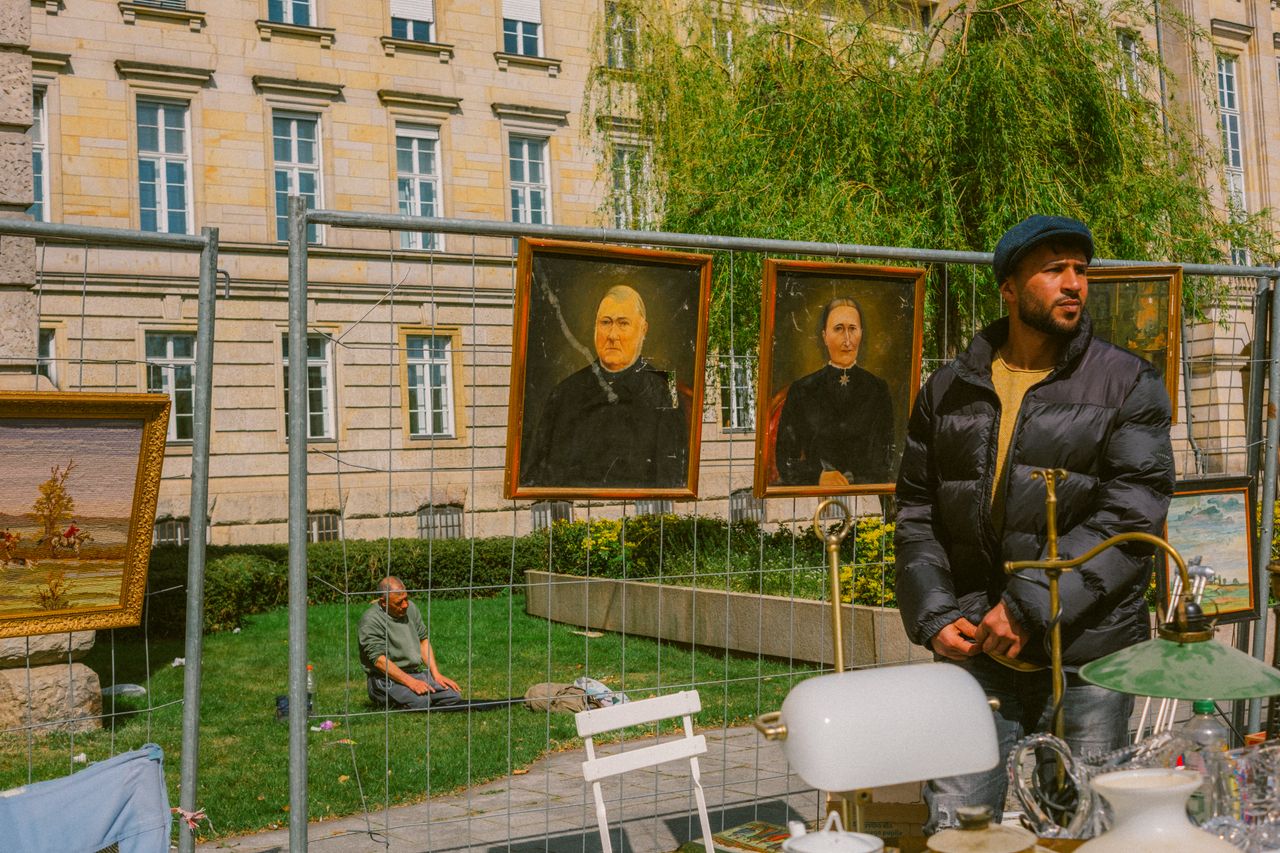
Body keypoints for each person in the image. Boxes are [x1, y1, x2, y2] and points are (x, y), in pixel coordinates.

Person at [893, 215, 1174, 832]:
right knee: (958, 827)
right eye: (1054, 269)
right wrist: (935, 615)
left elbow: (1133, 515)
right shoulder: (948, 390)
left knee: (1080, 830)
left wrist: (1024, 608)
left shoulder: (1127, 382)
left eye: (1081, 270)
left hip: (1087, 657)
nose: (1074, 283)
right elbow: (916, 515)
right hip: (975, 651)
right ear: (1011, 288)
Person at [521, 284, 690, 489]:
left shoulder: (665, 390)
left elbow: (673, 480)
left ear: (643, 329)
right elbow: (535, 478)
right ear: (595, 327)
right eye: (605, 322)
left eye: (623, 323)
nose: (612, 335)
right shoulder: (564, 393)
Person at [772, 296, 893, 486]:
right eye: (838, 329)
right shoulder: (803, 390)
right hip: (812, 499)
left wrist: (856, 481)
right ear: (824, 336)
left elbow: (886, 459)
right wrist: (818, 476)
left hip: (864, 499)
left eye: (852, 329)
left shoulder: (877, 390)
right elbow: (786, 459)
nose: (847, 340)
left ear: (861, 333)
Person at [358, 576, 462, 710]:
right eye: (399, 602)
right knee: (420, 702)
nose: (405, 604)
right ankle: (387, 697)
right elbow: (379, 660)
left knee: (453, 695)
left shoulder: (411, 609)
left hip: (414, 673)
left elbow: (423, 640)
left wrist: (436, 674)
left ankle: (423, 698)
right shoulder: (370, 620)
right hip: (384, 679)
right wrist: (411, 683)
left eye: (406, 599)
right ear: (384, 602)